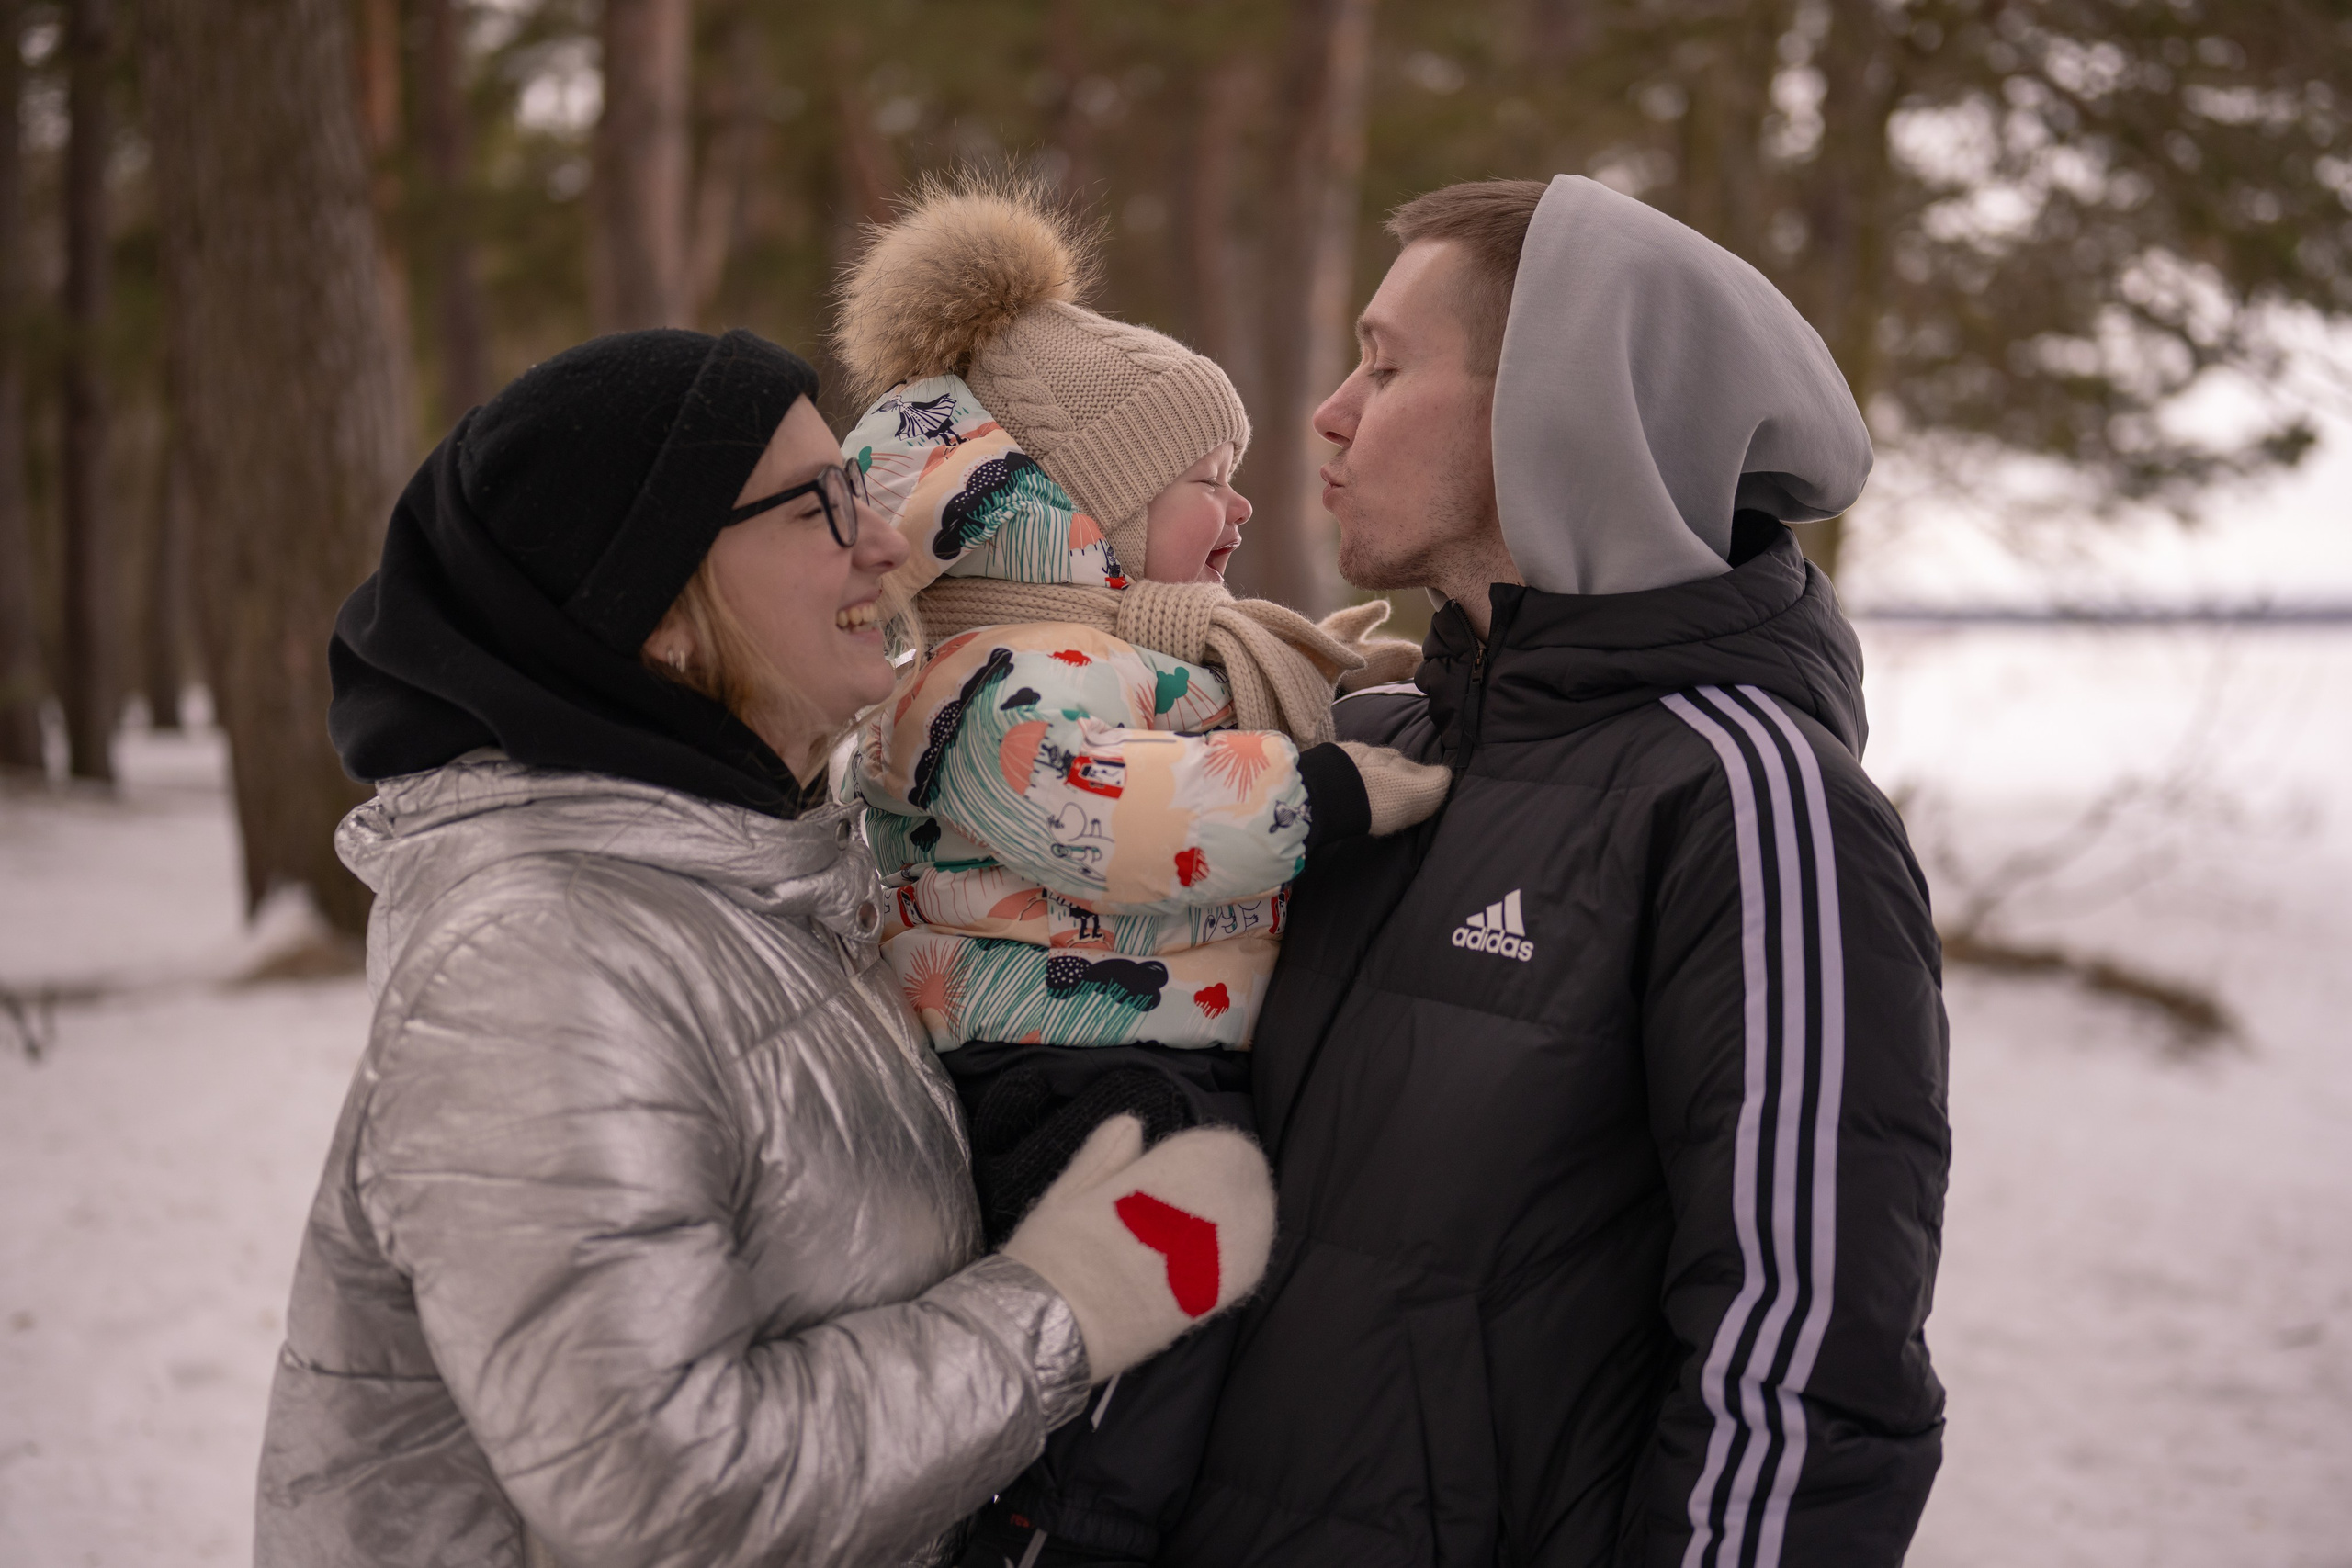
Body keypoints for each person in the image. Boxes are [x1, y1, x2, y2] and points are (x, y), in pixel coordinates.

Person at [258, 326, 1276, 1568]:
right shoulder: (543, 962)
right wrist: (1063, 1305)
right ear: (657, 610)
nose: (888, 541)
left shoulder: (761, 883)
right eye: (819, 506)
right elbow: (669, 1497)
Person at [1165, 176, 1951, 1567]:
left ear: (1552, 410)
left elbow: (1799, 1374)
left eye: (1389, 364)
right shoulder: (1368, 758)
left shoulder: (1751, 803)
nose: (1331, 413)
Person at [829, 181, 1449, 1568]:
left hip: (1132, 1033)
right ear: (1087, 505)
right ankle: (1057, 1520)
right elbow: (1111, 814)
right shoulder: (986, 679)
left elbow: (1206, 704)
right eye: (1202, 482)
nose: (1238, 507)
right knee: (1162, 1303)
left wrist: (1330, 694)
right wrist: (1323, 789)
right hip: (1056, 1053)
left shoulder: (1115, 647)